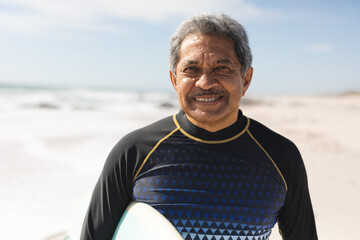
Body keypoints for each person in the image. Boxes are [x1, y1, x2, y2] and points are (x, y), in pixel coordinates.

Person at [80, 13, 318, 240]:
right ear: (175, 80)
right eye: (191, 70)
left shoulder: (281, 156)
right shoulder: (134, 152)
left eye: (222, 68)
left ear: (245, 80)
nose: (205, 83)